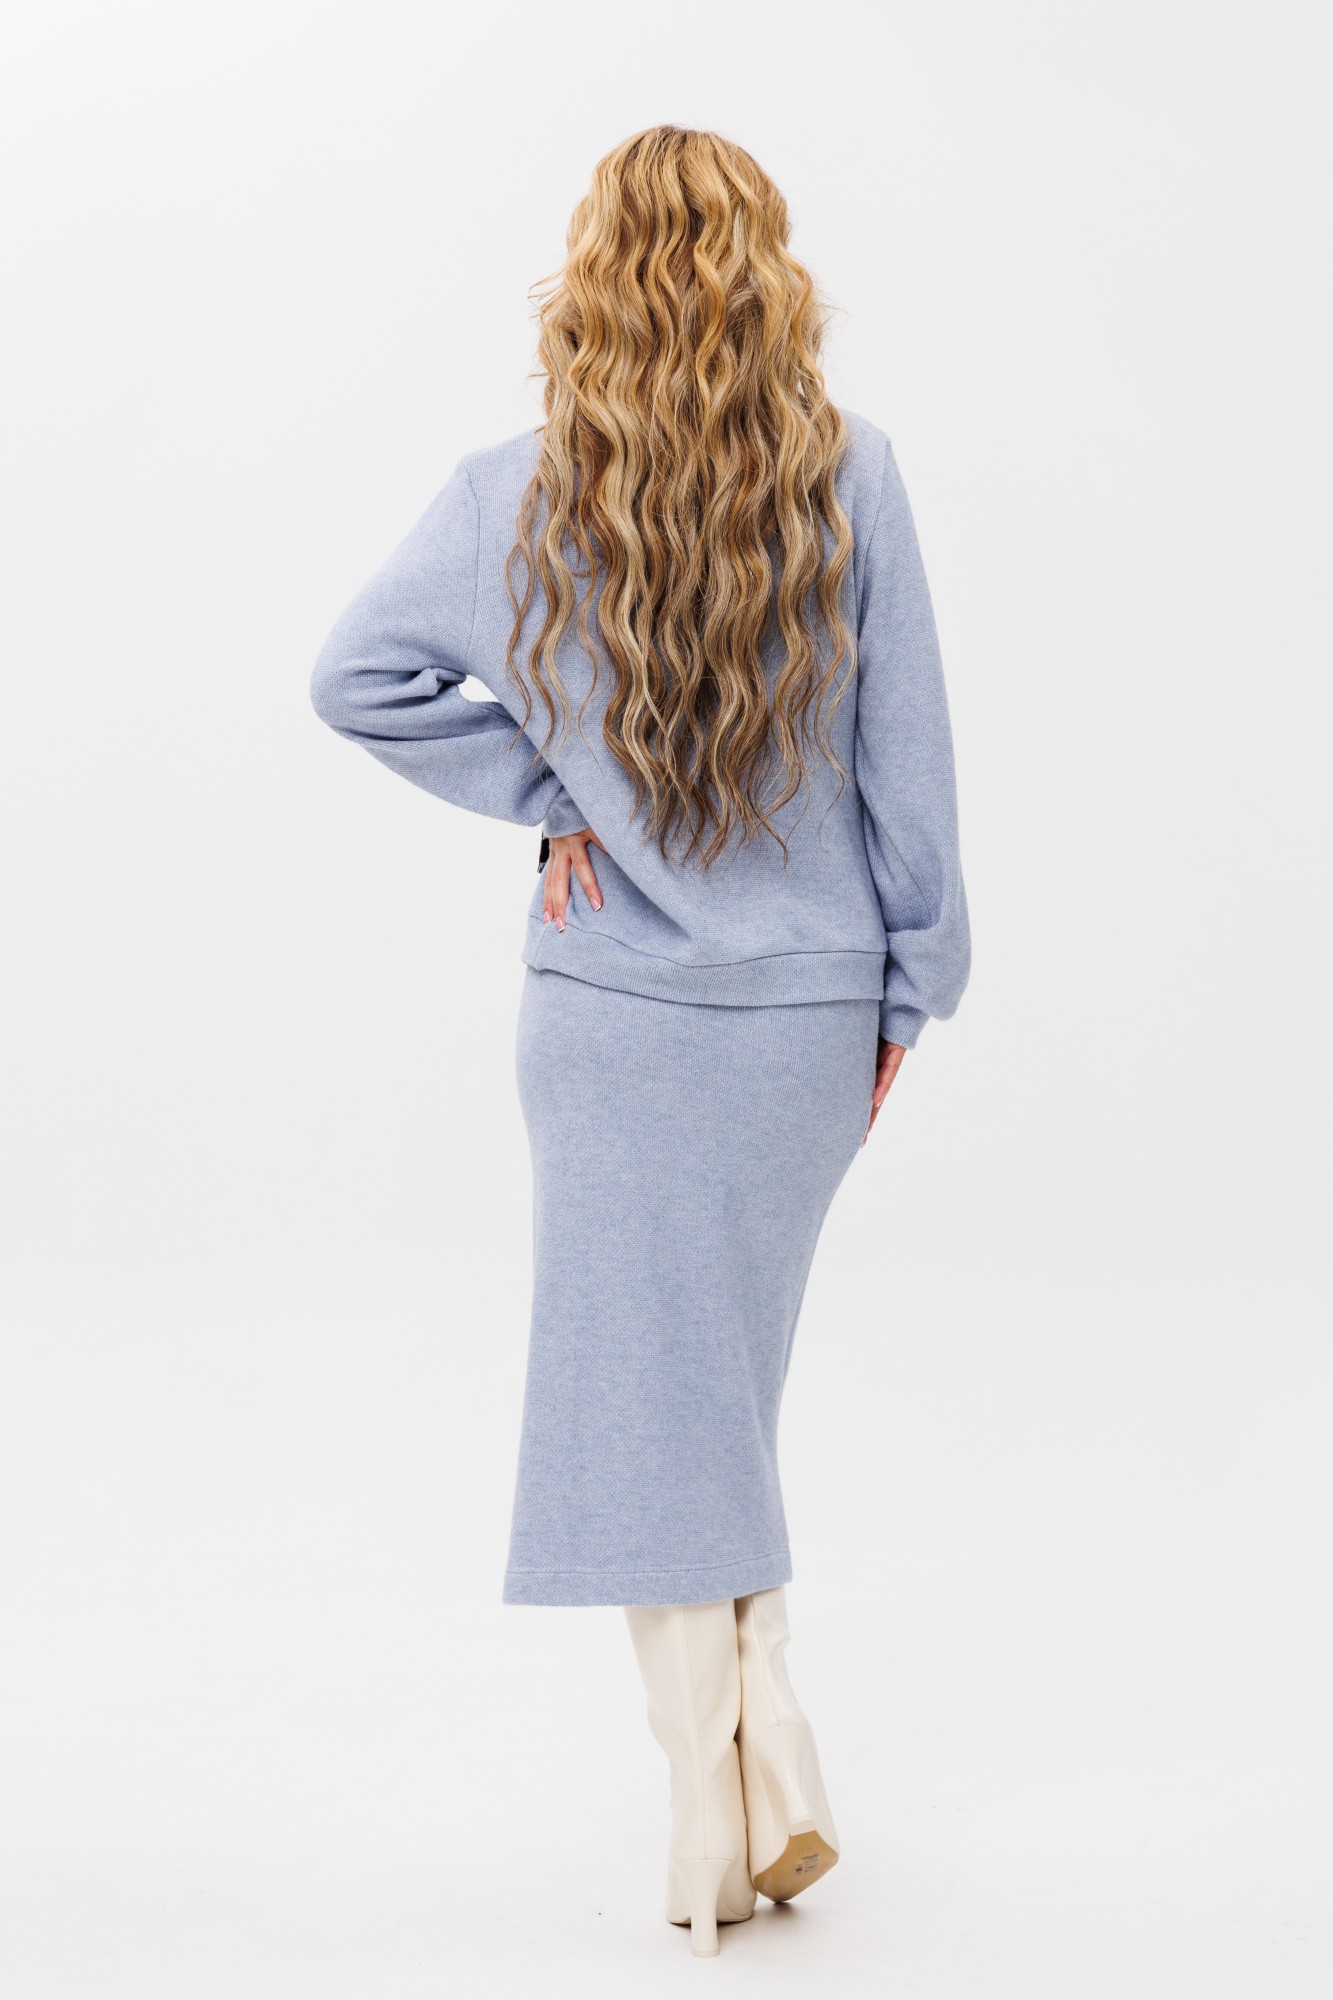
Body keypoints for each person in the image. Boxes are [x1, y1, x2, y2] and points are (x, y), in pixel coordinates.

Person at [310, 123, 970, 1958]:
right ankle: (766, 1754)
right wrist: (910, 988)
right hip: (801, 1019)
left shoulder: (511, 493)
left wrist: (561, 794)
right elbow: (909, 773)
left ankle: (713, 1796)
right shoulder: (853, 474)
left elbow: (353, 679)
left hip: (605, 1013)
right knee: (713, 1390)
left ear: (588, 274)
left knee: (654, 1396)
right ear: (768, 270)